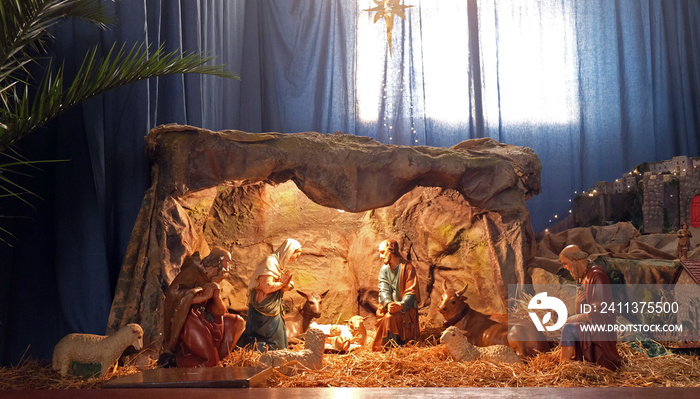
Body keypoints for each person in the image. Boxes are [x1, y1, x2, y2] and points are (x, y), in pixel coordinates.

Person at [162, 247, 245, 367]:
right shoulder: (192, 272)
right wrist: (202, 297)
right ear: (218, 261)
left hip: (207, 318)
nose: (229, 267)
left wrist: (216, 295)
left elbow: (221, 312)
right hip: (190, 319)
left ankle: (221, 361)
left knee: (237, 322)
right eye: (228, 262)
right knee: (209, 362)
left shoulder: (211, 278)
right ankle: (174, 361)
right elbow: (174, 295)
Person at [558, 244, 622, 371]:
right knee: (569, 327)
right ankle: (567, 364)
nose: (565, 267)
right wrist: (578, 303)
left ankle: (563, 369)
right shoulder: (582, 277)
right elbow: (581, 312)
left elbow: (600, 311)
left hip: (601, 327)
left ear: (575, 260)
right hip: (591, 323)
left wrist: (571, 319)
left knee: (569, 328)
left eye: (565, 263)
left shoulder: (597, 276)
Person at [237, 238, 301, 351]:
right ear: (289, 251)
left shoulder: (278, 265)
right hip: (265, 309)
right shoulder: (270, 262)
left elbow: (278, 287)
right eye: (296, 256)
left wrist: (287, 285)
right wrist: (283, 283)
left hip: (272, 308)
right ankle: (262, 356)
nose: (296, 260)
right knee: (274, 340)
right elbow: (267, 288)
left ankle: (271, 357)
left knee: (278, 338)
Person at [371, 239, 421, 351]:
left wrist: (401, 305)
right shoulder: (384, 269)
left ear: (391, 251)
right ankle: (389, 345)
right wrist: (388, 303)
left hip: (405, 309)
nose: (381, 256)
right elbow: (383, 289)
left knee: (390, 318)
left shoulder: (408, 268)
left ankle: (397, 346)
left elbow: (411, 291)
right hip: (390, 307)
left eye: (382, 252)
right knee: (385, 314)